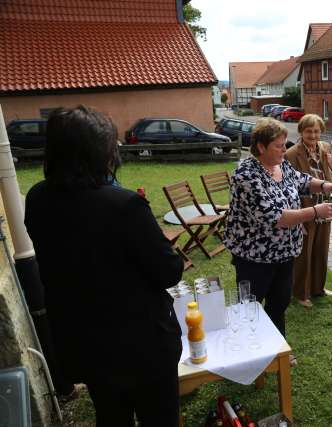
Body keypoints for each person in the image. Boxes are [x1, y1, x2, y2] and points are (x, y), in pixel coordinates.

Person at [24, 106, 184, 426]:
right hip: (140, 347)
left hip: (85, 342)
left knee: (111, 416)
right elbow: (169, 271)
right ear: (99, 151)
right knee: (160, 418)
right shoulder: (124, 206)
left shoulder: (38, 198)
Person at [223, 118, 332, 340]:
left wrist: (327, 185)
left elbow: (302, 180)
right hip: (255, 257)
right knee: (250, 306)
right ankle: (247, 348)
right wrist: (315, 211)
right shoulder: (246, 175)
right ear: (261, 146)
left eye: (284, 144)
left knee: (279, 303)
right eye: (279, 146)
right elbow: (275, 217)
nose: (284, 150)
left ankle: (277, 346)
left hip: (285, 253)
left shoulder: (280, 164)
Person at [285, 114, 332, 308]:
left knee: (321, 250)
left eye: (316, 131)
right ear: (301, 131)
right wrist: (297, 216)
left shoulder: (326, 148)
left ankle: (318, 288)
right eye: (309, 131)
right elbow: (289, 187)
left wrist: (331, 165)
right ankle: (301, 293)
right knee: (304, 254)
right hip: (305, 209)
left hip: (325, 208)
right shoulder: (291, 154)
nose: (313, 135)